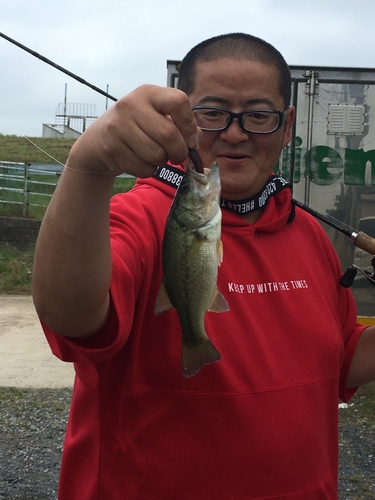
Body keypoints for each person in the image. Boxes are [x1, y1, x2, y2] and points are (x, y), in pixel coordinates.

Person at [32, 33, 375, 499]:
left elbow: (342, 359)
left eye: (258, 115)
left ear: (287, 124)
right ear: (179, 121)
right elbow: (69, 316)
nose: (234, 133)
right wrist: (89, 167)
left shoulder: (307, 232)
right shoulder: (139, 218)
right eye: (211, 114)